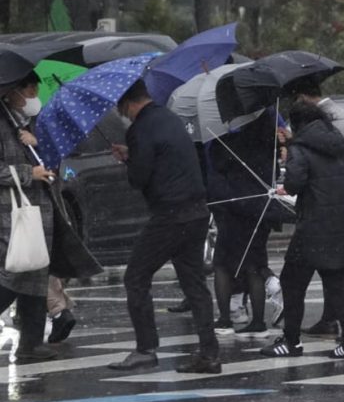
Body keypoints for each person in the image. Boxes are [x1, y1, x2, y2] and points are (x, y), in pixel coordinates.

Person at [108, 80, 220, 373]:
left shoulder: (140, 128)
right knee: (195, 285)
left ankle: (146, 348)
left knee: (135, 276)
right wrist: (133, 153)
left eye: (121, 108)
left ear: (127, 103)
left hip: (170, 215)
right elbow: (164, 156)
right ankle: (209, 354)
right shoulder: (169, 118)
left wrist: (128, 160)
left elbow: (139, 178)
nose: (123, 114)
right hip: (196, 212)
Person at [260, 101, 344, 359]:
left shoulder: (301, 148)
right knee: (337, 284)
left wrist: (287, 158)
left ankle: (291, 341)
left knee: (292, 283)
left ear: (296, 124)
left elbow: (294, 184)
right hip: (340, 222)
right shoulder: (334, 143)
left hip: (312, 228)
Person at [287, 79, 344, 342]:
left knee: (323, 275)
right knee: (336, 273)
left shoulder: (329, 124)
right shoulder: (331, 132)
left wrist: (294, 147)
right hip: (338, 208)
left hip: (324, 213)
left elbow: (298, 180)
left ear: (303, 99)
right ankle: (343, 326)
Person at [207, 109, 284, 338]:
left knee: (223, 263)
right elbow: (276, 170)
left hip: (233, 207)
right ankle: (259, 322)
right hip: (259, 208)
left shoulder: (229, 142)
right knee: (255, 264)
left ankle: (224, 319)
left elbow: (218, 164)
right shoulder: (268, 144)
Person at [0, 71, 57, 361]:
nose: (34, 95)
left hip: (37, 211)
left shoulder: (29, 123)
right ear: (11, 91)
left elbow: (53, 161)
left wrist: (37, 145)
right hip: (9, 214)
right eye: (29, 88)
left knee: (35, 272)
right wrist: (27, 173)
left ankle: (32, 343)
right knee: (13, 274)